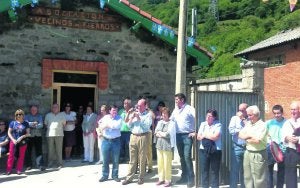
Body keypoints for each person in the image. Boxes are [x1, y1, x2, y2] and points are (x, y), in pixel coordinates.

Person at [122, 98, 152, 185]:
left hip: (143, 136)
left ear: (145, 106)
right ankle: (129, 178)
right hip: (133, 136)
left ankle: (141, 178)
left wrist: (139, 119)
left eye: (140, 105)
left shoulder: (148, 115)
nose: (138, 107)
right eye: (137, 105)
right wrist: (131, 119)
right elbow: (128, 126)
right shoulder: (135, 113)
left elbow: (146, 127)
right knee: (132, 159)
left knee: (142, 158)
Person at [170, 93, 195, 187]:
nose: (175, 101)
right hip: (178, 136)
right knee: (181, 157)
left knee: (187, 157)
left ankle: (191, 179)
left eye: (177, 99)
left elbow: (198, 117)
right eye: (175, 99)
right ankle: (184, 177)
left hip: (187, 135)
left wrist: (195, 131)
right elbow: (171, 119)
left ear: (182, 100)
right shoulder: (175, 109)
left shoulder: (189, 108)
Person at [239, 105, 268, 188]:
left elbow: (257, 141)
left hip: (258, 154)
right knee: (248, 178)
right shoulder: (248, 124)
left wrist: (246, 138)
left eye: (250, 115)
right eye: (248, 115)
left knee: (259, 180)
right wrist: (249, 137)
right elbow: (240, 134)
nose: (248, 117)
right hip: (248, 152)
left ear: (256, 114)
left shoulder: (262, 125)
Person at [197, 109, 222, 188]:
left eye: (210, 116)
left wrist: (204, 135)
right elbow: (198, 137)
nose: (208, 117)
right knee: (204, 171)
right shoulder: (202, 124)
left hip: (215, 150)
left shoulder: (218, 125)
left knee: (214, 171)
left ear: (214, 117)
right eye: (207, 115)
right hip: (203, 150)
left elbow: (216, 137)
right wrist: (209, 135)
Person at [98, 105, 122, 182]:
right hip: (106, 141)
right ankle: (105, 175)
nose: (115, 112)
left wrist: (107, 125)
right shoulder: (105, 117)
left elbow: (117, 126)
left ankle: (115, 175)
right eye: (113, 110)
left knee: (115, 160)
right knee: (105, 160)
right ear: (109, 111)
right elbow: (100, 124)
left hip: (116, 141)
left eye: (116, 110)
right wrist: (104, 126)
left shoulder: (119, 118)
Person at [154, 107, 176, 187]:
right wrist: (160, 133)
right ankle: (161, 179)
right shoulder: (159, 122)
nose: (164, 115)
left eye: (165, 114)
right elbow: (155, 132)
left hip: (167, 145)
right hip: (159, 145)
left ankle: (168, 180)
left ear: (168, 115)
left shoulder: (172, 123)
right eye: (162, 114)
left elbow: (168, 134)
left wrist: (160, 133)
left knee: (167, 163)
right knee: (160, 163)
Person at [228, 103, 248, 188]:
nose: (240, 112)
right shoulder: (234, 118)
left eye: (243, 110)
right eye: (239, 110)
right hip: (237, 147)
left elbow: (251, 130)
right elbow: (231, 131)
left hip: (248, 148)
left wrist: (243, 119)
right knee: (234, 171)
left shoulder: (250, 119)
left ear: (247, 110)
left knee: (246, 171)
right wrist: (241, 131)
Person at [266, 104, 286, 188]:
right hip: (270, 149)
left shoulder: (287, 123)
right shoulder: (269, 123)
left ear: (282, 113)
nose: (276, 115)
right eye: (275, 113)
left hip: (282, 150)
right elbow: (264, 133)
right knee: (269, 172)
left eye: (278, 113)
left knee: (281, 173)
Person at [281, 101, 300, 188]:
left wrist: (298, 140)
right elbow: (282, 136)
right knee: (290, 175)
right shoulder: (287, 123)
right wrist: (287, 138)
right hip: (291, 151)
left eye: (295, 109)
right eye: (291, 109)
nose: (292, 111)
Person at [6, 109, 30, 175]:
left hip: (22, 142)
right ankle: (9, 170)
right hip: (13, 141)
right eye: (17, 114)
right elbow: (9, 132)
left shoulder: (26, 123)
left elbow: (28, 133)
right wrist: (13, 139)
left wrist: (22, 137)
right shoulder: (12, 123)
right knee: (11, 155)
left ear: (23, 115)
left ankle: (19, 169)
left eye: (20, 114)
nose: (18, 116)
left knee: (21, 156)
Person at [44, 103, 66, 169]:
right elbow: (45, 124)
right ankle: (50, 163)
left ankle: (60, 163)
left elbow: (64, 124)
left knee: (59, 150)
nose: (55, 108)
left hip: (59, 134)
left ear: (58, 108)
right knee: (50, 150)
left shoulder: (62, 115)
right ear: (51, 108)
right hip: (50, 134)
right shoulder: (48, 115)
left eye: (56, 107)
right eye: (53, 107)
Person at [24, 105, 45, 171]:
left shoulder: (39, 116)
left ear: (37, 110)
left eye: (35, 110)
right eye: (32, 110)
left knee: (39, 151)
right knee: (28, 151)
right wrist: (34, 123)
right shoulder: (26, 116)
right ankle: (28, 165)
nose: (34, 111)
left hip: (38, 136)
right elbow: (25, 124)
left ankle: (40, 165)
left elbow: (41, 125)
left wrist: (31, 125)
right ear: (30, 110)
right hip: (29, 136)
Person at [118, 97, 132, 163]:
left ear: (129, 104)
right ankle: (121, 158)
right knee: (121, 146)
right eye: (124, 103)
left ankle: (128, 158)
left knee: (128, 145)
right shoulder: (120, 111)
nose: (125, 105)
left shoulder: (132, 112)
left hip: (129, 132)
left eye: (126, 103)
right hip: (121, 131)